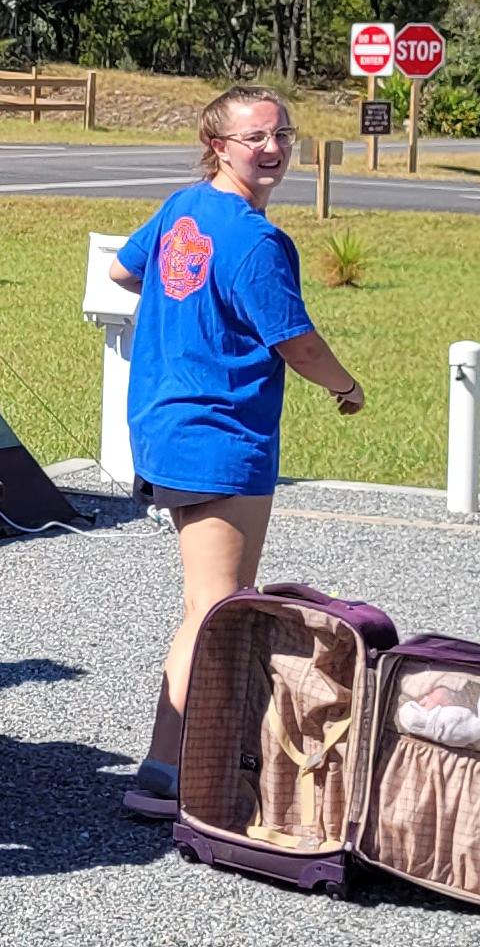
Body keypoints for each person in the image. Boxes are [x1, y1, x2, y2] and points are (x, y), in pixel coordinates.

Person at [107, 85, 364, 820]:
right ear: (217, 146)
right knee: (213, 608)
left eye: (282, 133)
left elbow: (124, 270)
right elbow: (297, 343)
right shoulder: (256, 242)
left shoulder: (182, 208)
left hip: (164, 425)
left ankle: (198, 756)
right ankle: (165, 772)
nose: (273, 148)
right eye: (255, 137)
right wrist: (346, 387)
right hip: (220, 438)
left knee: (207, 602)